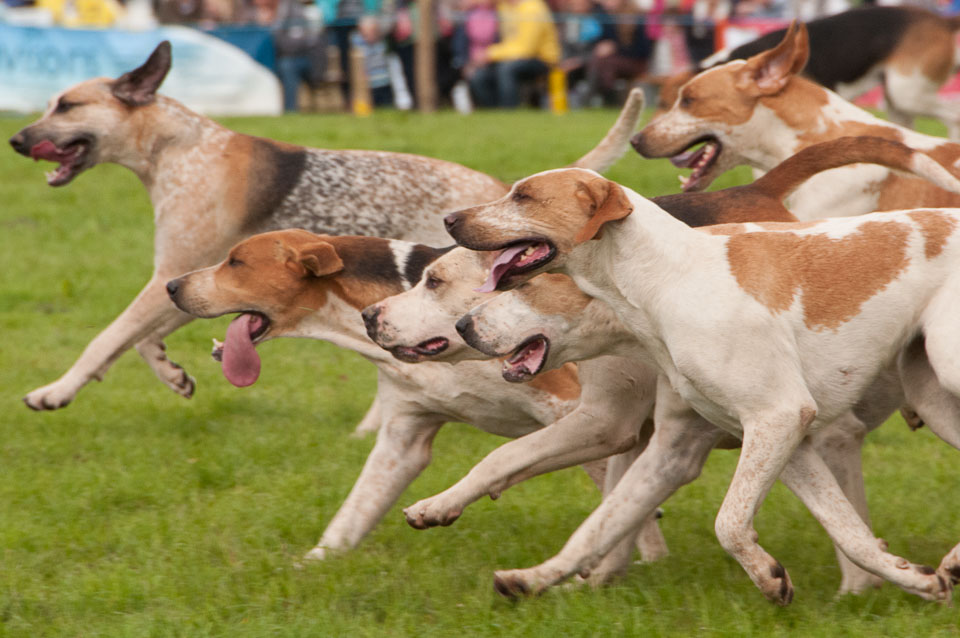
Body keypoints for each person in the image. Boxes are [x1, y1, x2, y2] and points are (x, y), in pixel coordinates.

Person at [469, 0, 560, 108]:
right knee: (479, 77)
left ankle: (509, 112)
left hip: (542, 60)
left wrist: (490, 54)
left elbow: (526, 49)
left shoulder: (533, 8)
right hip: (510, 58)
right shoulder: (504, 6)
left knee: (506, 69)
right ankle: (494, 114)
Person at [351, 14, 394, 106]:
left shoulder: (382, 42)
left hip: (384, 82)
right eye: (366, 34)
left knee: (387, 106)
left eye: (373, 32)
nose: (369, 36)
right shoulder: (359, 45)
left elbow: (389, 23)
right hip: (369, 85)